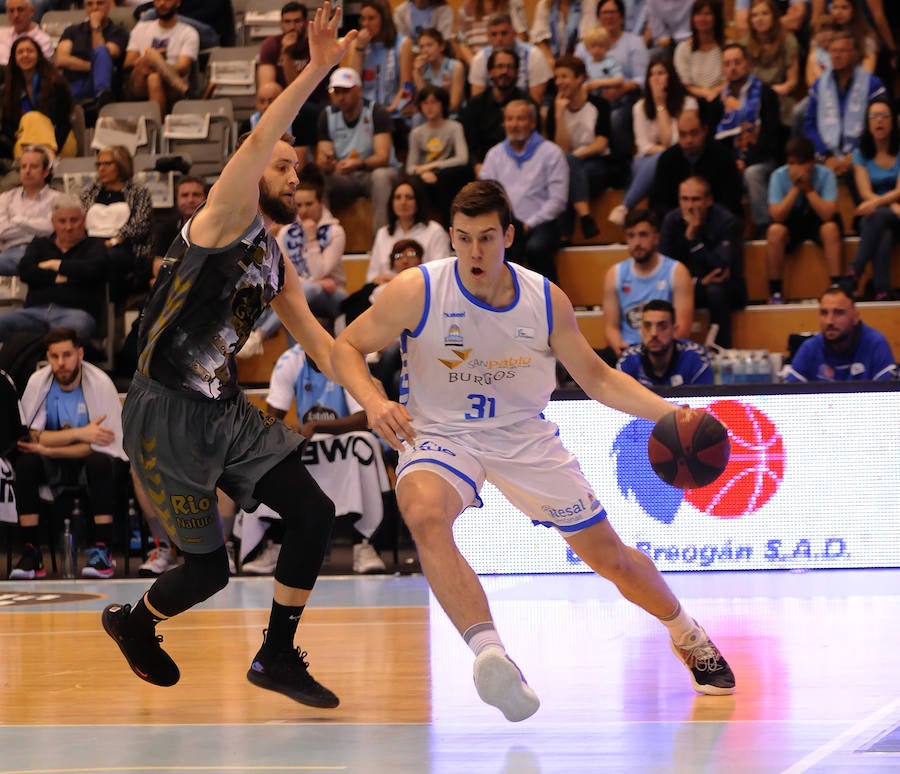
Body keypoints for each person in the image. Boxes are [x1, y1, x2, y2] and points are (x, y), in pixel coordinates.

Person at [331, 179, 736, 723]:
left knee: (608, 558)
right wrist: (374, 401)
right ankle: (492, 656)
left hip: (524, 434)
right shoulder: (418, 289)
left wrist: (669, 414)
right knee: (425, 515)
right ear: (451, 237)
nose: (475, 252)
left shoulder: (545, 299)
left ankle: (686, 632)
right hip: (440, 433)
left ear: (510, 236)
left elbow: (597, 378)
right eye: (464, 238)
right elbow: (346, 346)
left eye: (487, 237)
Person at [100, 3, 356, 708]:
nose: (292, 173)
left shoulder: (276, 262)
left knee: (312, 517)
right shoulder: (222, 216)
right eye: (280, 164)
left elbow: (322, 347)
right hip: (164, 413)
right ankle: (137, 625)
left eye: (298, 168)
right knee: (207, 571)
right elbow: (265, 134)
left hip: (224, 408)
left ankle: (275, 655)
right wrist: (318, 67)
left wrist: (383, 401)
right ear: (251, 169)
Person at [250, 320, 389, 575]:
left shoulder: (347, 358)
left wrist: (318, 427)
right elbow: (272, 418)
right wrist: (287, 431)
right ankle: (274, 544)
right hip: (308, 442)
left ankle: (364, 545)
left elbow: (364, 418)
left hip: (345, 438)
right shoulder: (289, 360)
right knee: (268, 450)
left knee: (365, 445)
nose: (313, 351)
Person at [11, 327, 127, 580]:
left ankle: (102, 550)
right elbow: (28, 437)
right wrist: (81, 432)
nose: (61, 363)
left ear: (80, 353)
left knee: (100, 462)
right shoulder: (39, 382)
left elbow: (100, 444)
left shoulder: (100, 383)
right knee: (27, 464)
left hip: (87, 459)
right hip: (51, 458)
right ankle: (32, 552)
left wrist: (47, 445)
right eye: (54, 356)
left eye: (67, 355)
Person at [240, 163, 347, 357]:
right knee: (293, 297)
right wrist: (312, 282)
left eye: (309, 204)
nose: (304, 211)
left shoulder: (335, 231)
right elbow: (281, 271)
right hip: (305, 289)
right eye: (299, 205)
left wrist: (311, 237)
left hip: (334, 296)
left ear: (321, 203)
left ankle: (260, 335)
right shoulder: (287, 231)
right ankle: (295, 361)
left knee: (305, 290)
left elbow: (319, 272)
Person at [479, 98, 568, 281]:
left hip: (542, 224)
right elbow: (485, 196)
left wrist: (530, 223)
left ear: (533, 123)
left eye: (520, 119)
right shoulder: (494, 155)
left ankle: (551, 300)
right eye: (510, 119)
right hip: (505, 225)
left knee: (536, 249)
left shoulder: (551, 153)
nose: (514, 124)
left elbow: (558, 200)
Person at [0, 195, 107, 344]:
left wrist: (54, 265)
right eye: (62, 221)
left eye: (74, 220)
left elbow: (93, 269)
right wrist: (60, 277)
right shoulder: (39, 244)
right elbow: (25, 271)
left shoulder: (94, 245)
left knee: (77, 327)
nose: (68, 227)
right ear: (53, 223)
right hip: (34, 311)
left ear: (83, 221)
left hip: (75, 313)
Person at [609, 54, 697, 227]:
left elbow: (674, 143)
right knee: (641, 160)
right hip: (650, 160)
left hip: (681, 160)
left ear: (671, 76)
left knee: (659, 159)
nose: (656, 79)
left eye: (661, 73)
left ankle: (627, 208)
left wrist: (661, 104)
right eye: (652, 74)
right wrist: (664, 153)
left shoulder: (688, 103)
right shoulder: (639, 107)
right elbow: (642, 145)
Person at [659, 176, 746, 347]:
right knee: (660, 289)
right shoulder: (671, 221)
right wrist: (698, 282)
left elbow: (721, 267)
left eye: (696, 199)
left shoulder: (726, 222)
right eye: (685, 199)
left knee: (716, 291)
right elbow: (664, 268)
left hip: (725, 288)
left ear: (709, 200)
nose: (690, 206)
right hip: (687, 286)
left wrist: (693, 240)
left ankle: (720, 349)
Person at [315, 66, 400, 233]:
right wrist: (328, 163)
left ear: (359, 90)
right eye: (336, 91)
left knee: (381, 177)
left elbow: (383, 157)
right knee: (320, 180)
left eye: (345, 91)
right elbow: (322, 159)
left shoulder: (376, 111)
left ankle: (381, 241)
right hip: (345, 175)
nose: (341, 97)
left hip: (373, 172)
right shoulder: (327, 115)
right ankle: (323, 237)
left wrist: (358, 164)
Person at [603, 207, 694, 358]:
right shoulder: (615, 274)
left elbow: (682, 328)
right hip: (628, 351)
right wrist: (622, 350)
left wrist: (654, 351)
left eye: (643, 235)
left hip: (664, 351)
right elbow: (611, 328)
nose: (637, 242)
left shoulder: (677, 272)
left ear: (656, 238)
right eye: (631, 236)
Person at [711, 42, 781, 236]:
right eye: (727, 64)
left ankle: (763, 227)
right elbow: (714, 142)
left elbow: (770, 137)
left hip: (762, 159)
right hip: (730, 161)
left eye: (737, 62)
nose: (732, 67)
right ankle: (725, 229)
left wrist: (745, 161)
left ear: (748, 64)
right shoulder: (718, 102)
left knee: (752, 173)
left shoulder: (766, 94)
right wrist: (732, 162)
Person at [765, 136, 842, 303]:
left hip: (817, 219)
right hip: (791, 222)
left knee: (830, 228)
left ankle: (836, 286)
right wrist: (795, 188)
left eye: (800, 164)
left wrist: (807, 188)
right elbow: (776, 215)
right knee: (774, 231)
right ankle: (775, 291)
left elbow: (828, 213)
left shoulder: (826, 175)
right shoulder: (778, 176)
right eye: (792, 163)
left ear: (812, 162)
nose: (795, 169)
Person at [803, 30, 885, 183]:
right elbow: (810, 125)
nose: (836, 56)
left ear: (855, 54)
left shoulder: (873, 85)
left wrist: (856, 153)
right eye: (833, 51)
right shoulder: (819, 86)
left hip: (863, 154)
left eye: (842, 51)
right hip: (826, 157)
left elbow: (880, 123)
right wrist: (826, 156)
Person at [574, 0, 648, 166]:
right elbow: (576, 74)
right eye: (604, 13)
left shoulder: (634, 42)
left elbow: (642, 78)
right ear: (598, 17)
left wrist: (622, 89)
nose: (608, 16)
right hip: (590, 98)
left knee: (614, 118)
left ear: (621, 16)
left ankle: (620, 168)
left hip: (625, 98)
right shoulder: (583, 46)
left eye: (613, 12)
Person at [545, 54, 610, 242]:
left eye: (564, 76)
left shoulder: (599, 104)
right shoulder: (555, 109)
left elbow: (601, 143)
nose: (559, 82)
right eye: (556, 77)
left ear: (580, 78)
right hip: (568, 166)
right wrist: (558, 115)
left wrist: (573, 157)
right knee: (565, 169)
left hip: (596, 164)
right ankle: (585, 217)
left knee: (566, 170)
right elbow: (560, 149)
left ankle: (564, 233)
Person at [79, 145, 155, 299]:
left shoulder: (138, 192)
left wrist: (113, 241)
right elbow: (79, 221)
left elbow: (141, 224)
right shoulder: (89, 193)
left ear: (121, 165)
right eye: (99, 164)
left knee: (108, 258)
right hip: (90, 244)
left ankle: (112, 308)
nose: (101, 169)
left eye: (107, 164)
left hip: (125, 246)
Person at [845, 98, 900, 301]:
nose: (879, 121)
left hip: (895, 213)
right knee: (882, 231)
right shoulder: (861, 153)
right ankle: (882, 290)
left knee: (876, 215)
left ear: (893, 121)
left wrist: (885, 204)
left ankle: (854, 273)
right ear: (867, 123)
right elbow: (864, 192)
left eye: (885, 116)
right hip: (876, 215)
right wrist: (887, 205)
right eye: (874, 116)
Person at [784, 285, 897, 382]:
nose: (829, 321)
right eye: (824, 313)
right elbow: (788, 399)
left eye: (838, 313)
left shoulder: (875, 344)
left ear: (855, 317)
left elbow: (889, 400)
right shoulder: (810, 348)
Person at [650, 108, 743, 220]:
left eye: (693, 133)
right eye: (683, 134)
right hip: (678, 224)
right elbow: (658, 202)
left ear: (704, 130)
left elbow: (731, 201)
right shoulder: (668, 159)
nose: (689, 140)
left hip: (715, 224)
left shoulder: (722, 156)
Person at [0, 37, 77, 162]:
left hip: (60, 143)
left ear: (38, 55)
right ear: (14, 58)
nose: (25, 55)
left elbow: (64, 123)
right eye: (20, 52)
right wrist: (19, 135)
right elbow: (7, 125)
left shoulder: (56, 83)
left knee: (32, 117)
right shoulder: (8, 90)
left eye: (30, 51)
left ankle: (46, 161)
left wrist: (51, 145)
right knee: (30, 119)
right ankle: (42, 165)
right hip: (25, 144)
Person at [460, 47, 533, 177]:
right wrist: (476, 165)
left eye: (510, 67)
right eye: (500, 67)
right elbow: (470, 143)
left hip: (521, 165)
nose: (504, 71)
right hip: (482, 165)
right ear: (491, 72)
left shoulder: (528, 104)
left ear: (517, 72)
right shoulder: (475, 105)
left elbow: (534, 140)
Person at [405, 85, 471, 228]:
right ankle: (417, 229)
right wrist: (423, 173)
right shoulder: (417, 133)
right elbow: (410, 167)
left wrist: (434, 166)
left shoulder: (455, 127)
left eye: (434, 102)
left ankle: (450, 230)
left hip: (446, 173)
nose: (429, 107)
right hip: (425, 175)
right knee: (412, 183)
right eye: (425, 103)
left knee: (451, 177)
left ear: (443, 104)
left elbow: (462, 158)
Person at [365, 175, 449, 285]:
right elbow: (371, 277)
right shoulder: (383, 233)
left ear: (418, 201)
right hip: (386, 293)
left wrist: (397, 281)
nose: (403, 202)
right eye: (398, 197)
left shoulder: (435, 231)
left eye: (409, 197)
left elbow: (441, 275)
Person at [123, 0, 200, 117]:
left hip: (171, 88)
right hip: (139, 82)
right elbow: (128, 64)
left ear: (178, 2)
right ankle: (184, 89)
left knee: (154, 78)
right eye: (158, 0)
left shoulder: (188, 32)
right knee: (150, 53)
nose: (161, 3)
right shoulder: (141, 28)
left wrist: (157, 65)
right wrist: (147, 60)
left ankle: (156, 131)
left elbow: (183, 67)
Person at [616, 298, 714, 386]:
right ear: (641, 330)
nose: (654, 333)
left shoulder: (695, 357)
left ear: (674, 330)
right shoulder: (628, 359)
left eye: (662, 326)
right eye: (647, 326)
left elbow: (702, 403)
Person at [468, 12, 553, 107]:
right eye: (494, 34)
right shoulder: (480, 59)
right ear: (488, 37)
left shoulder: (534, 55)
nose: (499, 38)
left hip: (525, 112)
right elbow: (477, 102)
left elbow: (535, 102)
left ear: (514, 33)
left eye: (504, 33)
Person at [54, 0, 130, 106]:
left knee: (101, 51)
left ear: (109, 6)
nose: (95, 8)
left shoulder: (118, 32)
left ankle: (102, 96)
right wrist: (96, 66)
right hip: (73, 85)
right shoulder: (71, 31)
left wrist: (96, 26)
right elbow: (61, 60)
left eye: (100, 3)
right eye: (90, 4)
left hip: (105, 84)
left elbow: (106, 53)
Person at [345, 0, 413, 114]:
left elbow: (406, 87)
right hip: (364, 113)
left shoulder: (403, 44)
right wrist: (360, 49)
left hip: (393, 112)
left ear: (384, 20)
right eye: (363, 18)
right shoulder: (356, 44)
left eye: (371, 18)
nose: (365, 23)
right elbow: (352, 83)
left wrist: (392, 109)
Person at [0, 145, 59, 276]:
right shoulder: (5, 198)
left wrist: (17, 220)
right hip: (9, 252)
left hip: (43, 252)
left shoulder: (57, 199)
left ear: (46, 172)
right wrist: (34, 225)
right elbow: (2, 230)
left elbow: (49, 228)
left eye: (33, 167)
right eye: (23, 167)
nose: (27, 171)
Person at [743, 0, 800, 128]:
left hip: (779, 95)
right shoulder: (744, 44)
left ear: (774, 16)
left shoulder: (788, 41)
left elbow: (792, 82)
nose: (759, 19)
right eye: (754, 15)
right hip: (751, 97)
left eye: (764, 14)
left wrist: (769, 92)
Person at [673, 0, 725, 104]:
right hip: (692, 99)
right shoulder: (683, 48)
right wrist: (706, 93)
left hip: (721, 96)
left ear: (716, 17)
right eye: (698, 14)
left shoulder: (726, 47)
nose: (702, 18)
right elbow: (686, 84)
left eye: (707, 14)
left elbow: (728, 80)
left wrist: (714, 92)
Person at [455, 0, 528, 67]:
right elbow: (462, 43)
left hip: (509, 64)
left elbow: (521, 37)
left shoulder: (513, 3)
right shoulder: (466, 8)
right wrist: (475, 65)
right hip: (477, 65)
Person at [411, 27, 465, 118]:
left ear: (441, 47)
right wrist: (418, 75)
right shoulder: (420, 70)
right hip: (429, 116)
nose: (425, 50)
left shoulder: (456, 67)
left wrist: (433, 110)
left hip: (451, 115)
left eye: (429, 45)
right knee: (416, 118)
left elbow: (454, 105)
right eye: (421, 47)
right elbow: (424, 101)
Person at [530, 0, 597, 66]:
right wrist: (551, 61)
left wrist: (569, 65)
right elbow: (540, 41)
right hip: (551, 62)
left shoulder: (587, 2)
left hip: (578, 60)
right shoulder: (544, 4)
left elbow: (586, 39)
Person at [0, 0, 54, 65]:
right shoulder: (1, 35)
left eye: (20, 10)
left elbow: (43, 70)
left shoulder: (44, 40)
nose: (16, 15)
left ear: (32, 11)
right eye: (11, 11)